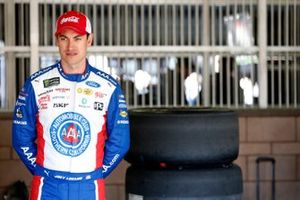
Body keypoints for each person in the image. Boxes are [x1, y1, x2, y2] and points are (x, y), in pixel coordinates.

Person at [12, 10, 130, 200]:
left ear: (89, 40)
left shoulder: (109, 87)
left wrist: (96, 173)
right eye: (64, 38)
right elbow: (21, 138)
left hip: (90, 186)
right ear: (56, 40)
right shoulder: (36, 84)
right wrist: (42, 171)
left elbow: (120, 142)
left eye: (77, 38)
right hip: (47, 186)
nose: (70, 46)